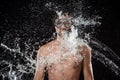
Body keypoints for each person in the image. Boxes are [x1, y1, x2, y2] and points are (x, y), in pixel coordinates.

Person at [34, 12, 94, 80]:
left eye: (66, 23)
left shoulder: (83, 49)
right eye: (59, 23)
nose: (63, 26)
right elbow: (38, 78)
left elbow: (89, 78)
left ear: (71, 24)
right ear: (55, 26)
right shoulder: (44, 50)